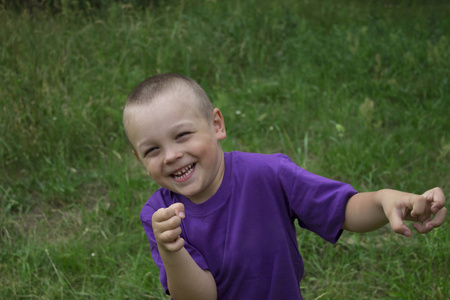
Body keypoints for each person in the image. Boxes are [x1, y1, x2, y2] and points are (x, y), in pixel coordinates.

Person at [122, 73, 447, 300]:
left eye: (182, 135)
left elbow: (343, 210)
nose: (172, 155)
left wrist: (384, 200)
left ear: (216, 124)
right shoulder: (160, 215)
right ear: (139, 160)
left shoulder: (268, 173)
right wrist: (171, 249)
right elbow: (200, 296)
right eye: (153, 150)